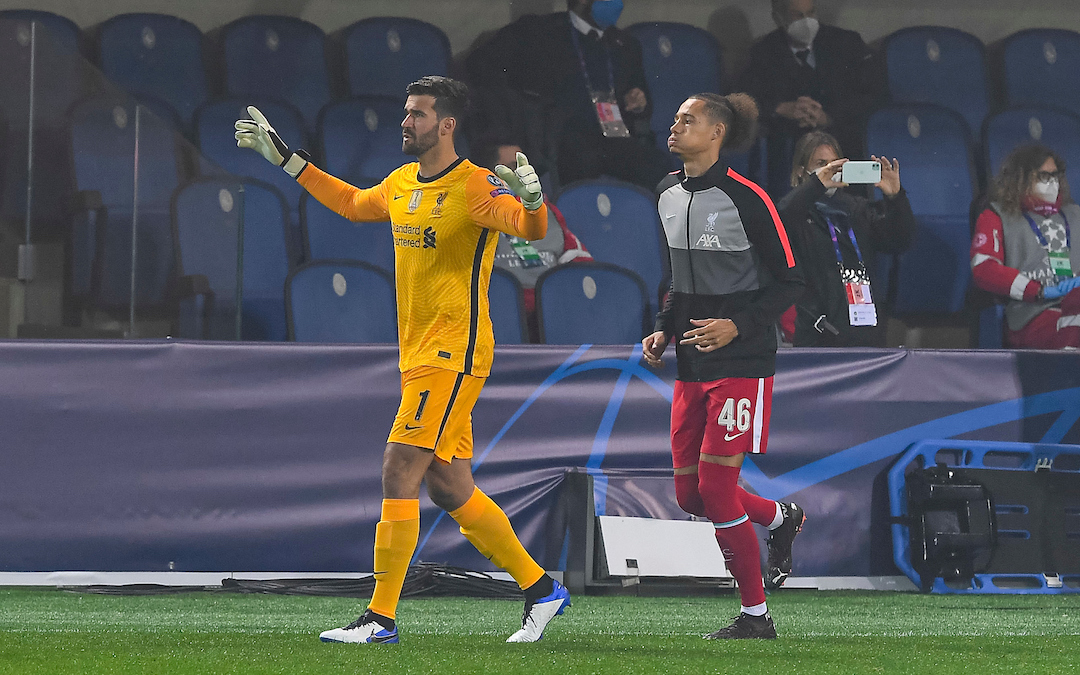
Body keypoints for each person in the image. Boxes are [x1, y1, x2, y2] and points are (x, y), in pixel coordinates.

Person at [235, 76, 571, 644]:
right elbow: (349, 202)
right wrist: (289, 162)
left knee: (399, 467)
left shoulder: (476, 186)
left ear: (447, 125)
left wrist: (535, 203)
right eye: (406, 113)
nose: (405, 122)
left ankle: (381, 618)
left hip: (454, 351)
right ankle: (541, 590)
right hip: (418, 353)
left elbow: (529, 230)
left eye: (417, 114)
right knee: (448, 484)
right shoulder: (401, 182)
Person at [642, 92, 806, 639]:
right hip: (691, 357)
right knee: (691, 496)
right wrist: (665, 326)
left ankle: (756, 616)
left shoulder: (749, 198)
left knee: (715, 490)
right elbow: (676, 280)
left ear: (716, 133)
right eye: (675, 117)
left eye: (687, 119)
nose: (675, 125)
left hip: (742, 359)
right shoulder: (665, 192)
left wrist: (737, 325)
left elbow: (790, 282)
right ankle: (781, 518)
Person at [465, 0, 669, 190]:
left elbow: (642, 99)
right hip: (559, 139)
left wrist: (639, 102)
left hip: (616, 137)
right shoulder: (538, 32)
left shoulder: (625, 44)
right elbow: (481, 67)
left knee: (661, 169)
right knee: (580, 164)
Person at [776, 131, 915, 346]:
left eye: (835, 163)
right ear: (801, 171)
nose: (831, 170)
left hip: (866, 332)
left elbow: (900, 241)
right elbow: (779, 220)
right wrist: (815, 186)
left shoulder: (858, 209)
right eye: (822, 164)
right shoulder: (797, 213)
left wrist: (896, 198)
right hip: (818, 334)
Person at [738, 0, 884, 194]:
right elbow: (745, 99)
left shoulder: (847, 43)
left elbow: (874, 96)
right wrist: (780, 108)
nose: (807, 21)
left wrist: (828, 116)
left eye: (811, 13)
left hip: (845, 141)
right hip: (790, 146)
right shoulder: (764, 52)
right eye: (797, 15)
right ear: (778, 18)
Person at [472, 134, 593, 341]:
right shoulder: (475, 215)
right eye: (512, 167)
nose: (520, 175)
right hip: (502, 313)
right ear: (489, 175)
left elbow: (580, 261)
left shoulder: (548, 211)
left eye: (523, 167)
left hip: (553, 309)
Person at [971, 144, 1080, 349]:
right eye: (1043, 177)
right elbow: (983, 268)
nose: (1052, 183)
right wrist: (1038, 291)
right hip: (1031, 314)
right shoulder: (996, 215)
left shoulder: (1075, 215)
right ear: (1020, 179)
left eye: (1054, 176)